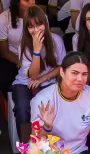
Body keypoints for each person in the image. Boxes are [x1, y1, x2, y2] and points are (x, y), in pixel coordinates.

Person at [12, 7, 65, 142]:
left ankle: (48, 147)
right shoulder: (23, 44)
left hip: (49, 81)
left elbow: (61, 68)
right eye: (31, 27)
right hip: (25, 82)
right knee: (23, 109)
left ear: (45, 24)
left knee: (51, 109)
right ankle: (26, 150)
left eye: (39, 25)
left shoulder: (56, 40)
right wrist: (36, 50)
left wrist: (43, 79)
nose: (36, 30)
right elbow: (33, 76)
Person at [0, 0, 36, 96]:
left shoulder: (40, 17)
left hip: (35, 57)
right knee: (7, 80)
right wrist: (21, 62)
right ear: (17, 2)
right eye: (27, 0)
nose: (32, 2)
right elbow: (4, 51)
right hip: (12, 58)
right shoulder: (3, 19)